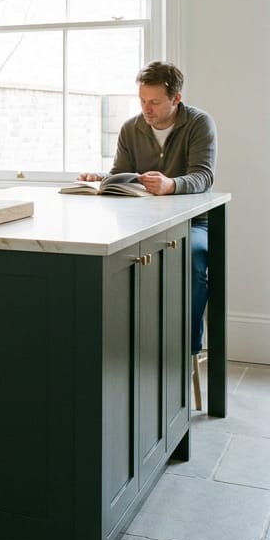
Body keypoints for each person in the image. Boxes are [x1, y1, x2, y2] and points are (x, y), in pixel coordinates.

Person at [79, 61, 217, 354]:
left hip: (194, 223)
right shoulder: (131, 128)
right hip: (141, 223)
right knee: (111, 264)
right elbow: (122, 171)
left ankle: (186, 350)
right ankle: (131, 351)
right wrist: (100, 177)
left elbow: (204, 176)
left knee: (192, 263)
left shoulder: (199, 123)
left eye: (154, 102)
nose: (147, 109)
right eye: (142, 101)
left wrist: (172, 185)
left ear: (176, 98)